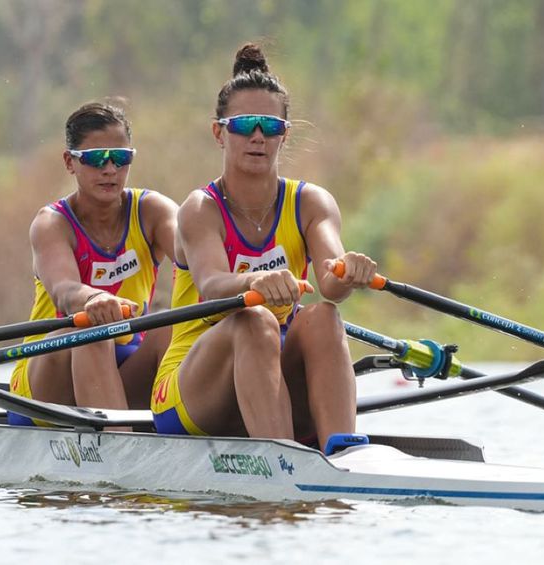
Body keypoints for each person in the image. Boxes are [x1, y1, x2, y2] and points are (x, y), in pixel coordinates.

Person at [151, 44, 377, 453]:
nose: (258, 136)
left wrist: (349, 271)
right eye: (244, 125)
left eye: (270, 127)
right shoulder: (200, 209)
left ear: (284, 135)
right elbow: (213, 285)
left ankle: (344, 452)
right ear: (219, 132)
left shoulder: (311, 203)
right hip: (192, 392)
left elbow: (331, 280)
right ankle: (282, 458)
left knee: (324, 316)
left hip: (268, 379)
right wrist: (257, 278)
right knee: (253, 320)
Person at [10, 102, 178, 422]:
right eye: (96, 158)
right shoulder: (52, 224)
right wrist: (94, 298)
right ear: (69, 162)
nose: (110, 169)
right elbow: (65, 290)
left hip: (124, 364)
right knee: (92, 327)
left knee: (171, 326)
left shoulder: (153, 211)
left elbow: (194, 259)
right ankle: (117, 453)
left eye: (120, 157)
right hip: (46, 380)